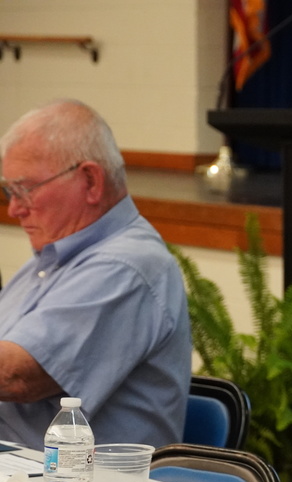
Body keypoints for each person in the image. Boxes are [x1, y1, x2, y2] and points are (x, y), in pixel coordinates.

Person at [0, 99, 191, 450]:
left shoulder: (126, 266)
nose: (14, 208)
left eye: (25, 189)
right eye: (9, 191)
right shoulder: (51, 258)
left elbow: (16, 375)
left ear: (90, 180)